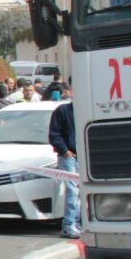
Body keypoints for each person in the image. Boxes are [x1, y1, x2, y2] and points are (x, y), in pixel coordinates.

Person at [48, 89, 80, 239]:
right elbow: (54, 134)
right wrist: (64, 150)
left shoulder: (86, 112)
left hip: (83, 157)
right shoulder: (63, 111)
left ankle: (78, 222)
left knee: (81, 192)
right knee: (73, 191)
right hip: (69, 156)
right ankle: (69, 224)